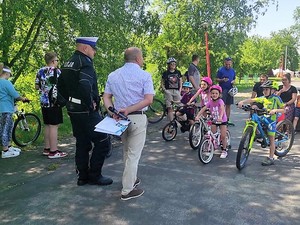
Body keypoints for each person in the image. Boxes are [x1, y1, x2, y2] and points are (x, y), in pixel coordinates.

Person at [58, 37, 112, 186]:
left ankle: (82, 177)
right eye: (93, 48)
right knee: (103, 140)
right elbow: (85, 86)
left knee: (82, 142)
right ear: (85, 48)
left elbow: (59, 87)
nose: (94, 52)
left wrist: (68, 102)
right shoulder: (85, 63)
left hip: (73, 111)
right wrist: (90, 104)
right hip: (86, 111)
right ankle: (95, 176)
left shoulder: (68, 63)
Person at [103, 47, 155, 201]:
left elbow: (106, 97)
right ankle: (127, 189)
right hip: (137, 117)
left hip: (119, 119)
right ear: (138, 58)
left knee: (126, 150)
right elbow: (148, 99)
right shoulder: (145, 75)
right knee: (133, 154)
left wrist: (112, 112)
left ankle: (130, 179)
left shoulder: (113, 75)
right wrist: (130, 109)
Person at [237, 80, 285, 166]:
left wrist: (275, 110)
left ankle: (271, 157)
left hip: (271, 120)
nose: (264, 91)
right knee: (254, 120)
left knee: (271, 140)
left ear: (272, 90)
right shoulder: (263, 98)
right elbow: (252, 99)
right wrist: (242, 102)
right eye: (263, 90)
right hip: (264, 117)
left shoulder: (276, 98)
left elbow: (283, 109)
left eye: (266, 89)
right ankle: (256, 134)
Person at [35, 52, 67, 159]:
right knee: (54, 125)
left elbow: (36, 86)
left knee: (47, 125)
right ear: (53, 61)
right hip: (54, 102)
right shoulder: (57, 71)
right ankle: (54, 151)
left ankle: (47, 148)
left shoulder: (40, 71)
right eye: (57, 60)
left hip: (44, 101)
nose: (57, 62)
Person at [0, 64, 28, 158]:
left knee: (5, 127)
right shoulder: (6, 83)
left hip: (2, 109)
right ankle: (5, 150)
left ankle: (9, 147)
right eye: (10, 74)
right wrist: (23, 98)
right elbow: (15, 95)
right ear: (6, 73)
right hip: (6, 109)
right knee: (6, 129)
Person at [195, 85, 228, 158]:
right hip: (214, 120)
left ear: (219, 94)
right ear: (211, 94)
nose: (214, 95)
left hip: (222, 120)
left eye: (216, 93)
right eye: (213, 93)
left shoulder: (220, 101)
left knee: (223, 136)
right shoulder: (210, 102)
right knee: (212, 134)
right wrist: (198, 115)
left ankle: (224, 150)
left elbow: (222, 109)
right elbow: (204, 108)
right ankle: (212, 146)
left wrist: (220, 117)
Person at [161, 57, 182, 121]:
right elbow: (162, 83)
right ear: (169, 65)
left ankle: (179, 118)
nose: (173, 65)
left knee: (180, 105)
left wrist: (180, 90)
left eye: (174, 64)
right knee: (169, 107)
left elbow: (181, 82)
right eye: (171, 64)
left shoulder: (178, 72)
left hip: (176, 91)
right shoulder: (165, 73)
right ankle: (171, 122)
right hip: (168, 91)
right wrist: (165, 90)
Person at [216, 57, 236, 126]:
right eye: (226, 64)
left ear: (231, 63)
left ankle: (227, 120)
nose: (228, 66)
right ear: (224, 63)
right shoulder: (221, 70)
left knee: (228, 105)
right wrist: (222, 80)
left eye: (229, 64)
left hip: (230, 90)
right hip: (223, 89)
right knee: (222, 105)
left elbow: (234, 79)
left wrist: (233, 81)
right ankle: (222, 119)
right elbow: (216, 79)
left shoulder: (233, 71)